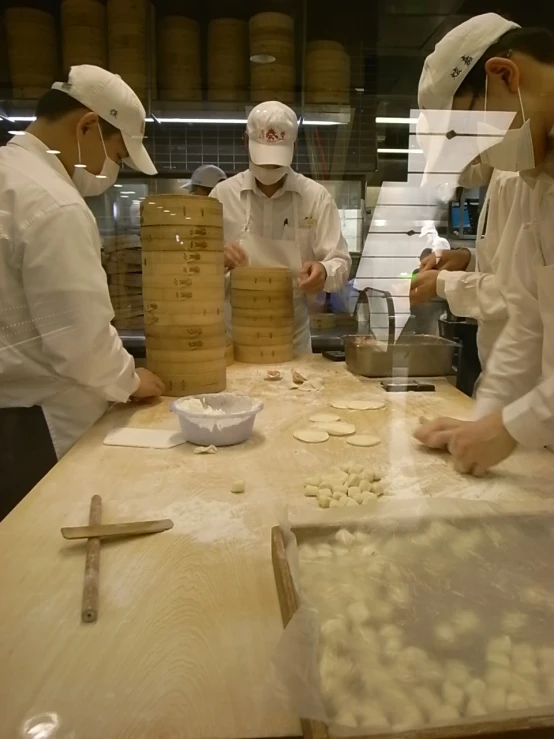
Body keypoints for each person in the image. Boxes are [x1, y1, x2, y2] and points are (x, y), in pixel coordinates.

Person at [0, 65, 164, 519]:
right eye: (114, 152)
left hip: (11, 409)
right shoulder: (54, 203)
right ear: (87, 125)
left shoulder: (9, 175)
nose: (108, 169)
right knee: (40, 556)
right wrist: (129, 379)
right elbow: (79, 339)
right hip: (35, 427)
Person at [414, 14, 554, 475]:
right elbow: (528, 315)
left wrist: (511, 427)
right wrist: (487, 417)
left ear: (505, 76)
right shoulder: (540, 180)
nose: (480, 158)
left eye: (473, 135)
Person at [210, 101, 351, 354]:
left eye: (276, 162)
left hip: (292, 340)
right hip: (235, 339)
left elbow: (340, 262)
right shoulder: (222, 196)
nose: (269, 170)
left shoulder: (316, 197)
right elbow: (195, 267)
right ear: (246, 141)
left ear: (294, 147)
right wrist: (217, 260)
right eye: (264, 161)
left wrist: (323, 271)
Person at [411, 162, 518, 370]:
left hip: (531, 379)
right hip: (503, 369)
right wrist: (466, 260)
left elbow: (526, 292)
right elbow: (512, 261)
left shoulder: (519, 179)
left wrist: (444, 283)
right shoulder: (502, 173)